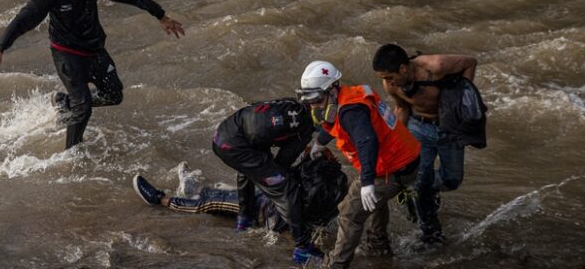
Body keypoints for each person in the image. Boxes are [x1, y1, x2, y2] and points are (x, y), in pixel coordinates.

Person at [0, 0, 185, 149]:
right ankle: (71, 153)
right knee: (84, 108)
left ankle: (63, 102)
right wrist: (0, 49)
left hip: (94, 49)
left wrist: (160, 16)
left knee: (114, 95)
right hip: (67, 53)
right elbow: (24, 19)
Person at [295, 60, 421, 269]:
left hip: (393, 166)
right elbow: (335, 122)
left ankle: (336, 264)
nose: (313, 105)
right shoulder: (347, 97)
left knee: (349, 212)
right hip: (405, 158)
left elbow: (366, 140)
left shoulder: (351, 112)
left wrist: (368, 181)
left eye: (316, 98)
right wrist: (319, 142)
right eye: (307, 99)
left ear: (333, 90)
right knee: (373, 202)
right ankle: (378, 247)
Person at [372, 43, 478, 243]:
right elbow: (402, 108)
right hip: (418, 128)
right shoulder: (392, 85)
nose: (387, 82)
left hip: (449, 127)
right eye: (384, 78)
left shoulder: (435, 66)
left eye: (389, 77)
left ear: (403, 68)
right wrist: (393, 142)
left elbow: (470, 63)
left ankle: (428, 191)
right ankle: (430, 233)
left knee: (452, 179)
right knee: (421, 179)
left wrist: (463, 97)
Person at [132, 148, 348, 234]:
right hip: (278, 205)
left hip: (267, 210)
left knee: (210, 203)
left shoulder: (315, 180)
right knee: (223, 192)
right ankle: (195, 189)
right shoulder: (339, 182)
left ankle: (161, 199)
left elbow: (291, 179)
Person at [211, 98, 322, 264]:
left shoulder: (289, 104)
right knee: (286, 186)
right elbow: (283, 163)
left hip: (223, 134)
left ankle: (244, 220)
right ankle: (303, 247)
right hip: (238, 146)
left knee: (248, 169)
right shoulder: (305, 129)